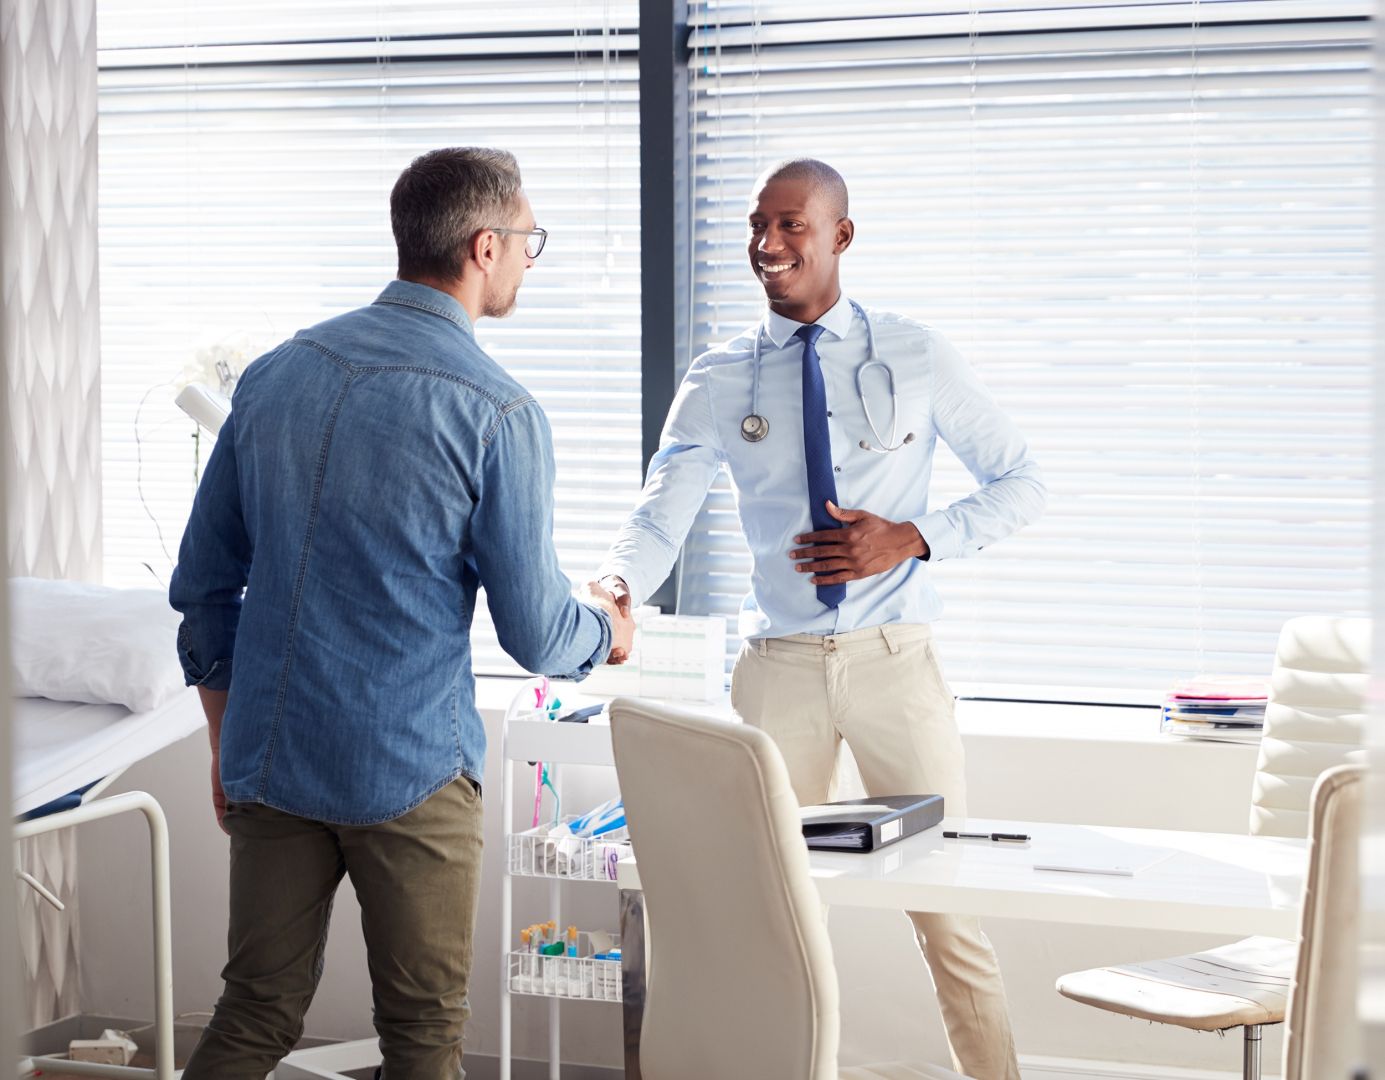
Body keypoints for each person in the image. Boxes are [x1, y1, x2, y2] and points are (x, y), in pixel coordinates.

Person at [169, 147, 633, 1080]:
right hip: (409, 767)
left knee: (254, 1011)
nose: (530, 260)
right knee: (422, 1036)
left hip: (270, 756)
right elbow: (537, 631)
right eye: (530, 241)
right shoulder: (496, 411)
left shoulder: (273, 376)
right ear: (484, 245)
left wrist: (228, 741)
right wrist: (607, 632)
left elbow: (204, 587)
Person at [595, 158, 1044, 1079]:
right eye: (758, 224)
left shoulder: (912, 352)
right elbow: (661, 509)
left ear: (840, 234)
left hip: (895, 660)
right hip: (781, 670)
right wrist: (615, 584)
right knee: (771, 922)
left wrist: (912, 537)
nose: (767, 243)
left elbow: (1022, 484)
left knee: (948, 913)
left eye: (791, 224)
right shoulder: (722, 375)